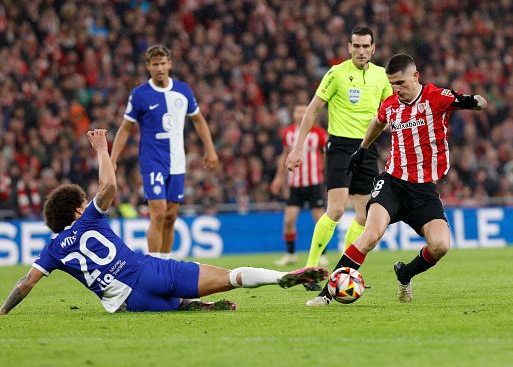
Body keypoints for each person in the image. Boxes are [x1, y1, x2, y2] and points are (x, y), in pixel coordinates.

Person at [0, 129, 328, 315]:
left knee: (174, 303)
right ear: (76, 209)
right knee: (230, 277)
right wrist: (102, 148)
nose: (88, 203)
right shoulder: (88, 220)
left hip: (130, 302)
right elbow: (109, 186)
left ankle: (189, 305)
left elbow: (25, 284)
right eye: (83, 202)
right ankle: (283, 277)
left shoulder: (53, 248)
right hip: (149, 272)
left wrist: (2, 312)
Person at [306, 54, 488, 306]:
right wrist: (361, 149)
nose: (396, 89)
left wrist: (474, 101)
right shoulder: (390, 104)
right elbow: (377, 122)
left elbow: (478, 102)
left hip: (423, 190)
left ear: (416, 76)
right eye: (392, 83)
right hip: (392, 183)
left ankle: (405, 274)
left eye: (400, 83)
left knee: (441, 245)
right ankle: (326, 294)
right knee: (370, 235)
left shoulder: (437, 97)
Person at [286, 26, 392, 269]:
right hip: (340, 146)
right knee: (335, 210)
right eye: (357, 46)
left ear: (373, 48)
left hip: (367, 147)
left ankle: (344, 270)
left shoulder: (381, 76)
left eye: (366, 46)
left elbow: (388, 111)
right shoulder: (336, 73)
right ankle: (310, 267)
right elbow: (313, 109)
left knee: (365, 217)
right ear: (349, 47)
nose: (361, 51)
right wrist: (298, 147)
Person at [110, 45, 219, 259]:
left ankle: (165, 264)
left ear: (169, 64)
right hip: (152, 161)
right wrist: (113, 158)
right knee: (158, 212)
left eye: (163, 63)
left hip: (177, 161)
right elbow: (125, 128)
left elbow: (198, 120)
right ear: (148, 66)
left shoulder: (183, 90)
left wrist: (211, 150)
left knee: (171, 216)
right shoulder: (140, 94)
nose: (159, 68)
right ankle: (154, 266)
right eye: (155, 64)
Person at [270, 104, 328, 271]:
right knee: (288, 220)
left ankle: (322, 255)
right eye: (298, 110)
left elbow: (325, 157)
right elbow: (284, 154)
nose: (301, 113)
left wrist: (328, 179)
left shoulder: (319, 133)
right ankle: (290, 254)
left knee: (320, 221)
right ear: (293, 114)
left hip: (314, 183)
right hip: (295, 184)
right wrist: (279, 178)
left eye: (304, 111)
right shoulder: (287, 132)